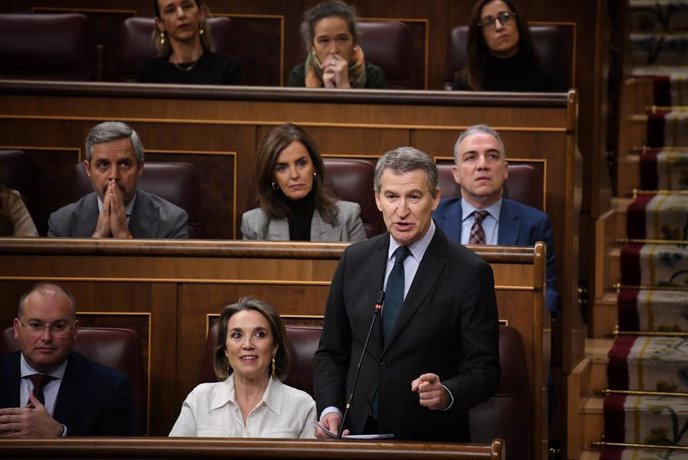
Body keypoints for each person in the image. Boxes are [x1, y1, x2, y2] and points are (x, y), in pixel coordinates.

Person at [313, 147, 499, 442]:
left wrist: (447, 392)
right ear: (377, 199)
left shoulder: (469, 271)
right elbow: (331, 353)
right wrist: (330, 409)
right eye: (391, 197)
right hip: (355, 433)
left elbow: (485, 370)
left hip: (428, 437)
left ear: (435, 198)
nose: (402, 211)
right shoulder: (354, 261)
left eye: (414, 196)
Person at [433, 124, 560, 317]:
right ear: (456, 173)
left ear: (505, 170)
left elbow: (548, 290)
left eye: (492, 156)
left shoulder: (535, 224)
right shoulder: (432, 219)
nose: (482, 165)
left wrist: (536, 314)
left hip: (507, 321)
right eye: (471, 157)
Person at [0, 283, 137, 437]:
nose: (46, 337)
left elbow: (120, 454)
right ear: (17, 329)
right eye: (36, 325)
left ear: (74, 330)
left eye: (58, 326)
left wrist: (60, 434)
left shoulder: (111, 388)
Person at [169, 297, 316, 437]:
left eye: (259, 334)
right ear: (225, 349)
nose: (247, 345)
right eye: (237, 335)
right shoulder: (199, 399)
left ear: (274, 347)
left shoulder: (302, 406)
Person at [48, 121, 188, 239]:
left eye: (124, 164)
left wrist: (123, 236)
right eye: (103, 164)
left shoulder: (172, 222)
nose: (114, 175)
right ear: (88, 170)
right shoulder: (62, 223)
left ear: (140, 168)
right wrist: (96, 239)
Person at [241, 123, 366, 242]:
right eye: (282, 168)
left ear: (314, 167)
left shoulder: (347, 217)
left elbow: (362, 264)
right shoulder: (253, 224)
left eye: (301, 163)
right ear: (273, 177)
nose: (294, 175)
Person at [452, 0, 566, 92]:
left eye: (505, 17)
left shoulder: (549, 84)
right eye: (488, 22)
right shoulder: (464, 85)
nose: (499, 27)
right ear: (482, 38)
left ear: (518, 24)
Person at [136, 0, 242, 85]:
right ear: (160, 24)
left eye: (187, 6)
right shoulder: (148, 73)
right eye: (170, 10)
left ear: (201, 14)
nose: (181, 15)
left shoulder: (228, 69)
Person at [287, 0, 385, 89]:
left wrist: (343, 86)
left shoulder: (373, 76)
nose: (333, 50)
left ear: (354, 42)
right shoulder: (299, 76)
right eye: (324, 41)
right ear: (312, 46)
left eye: (342, 39)